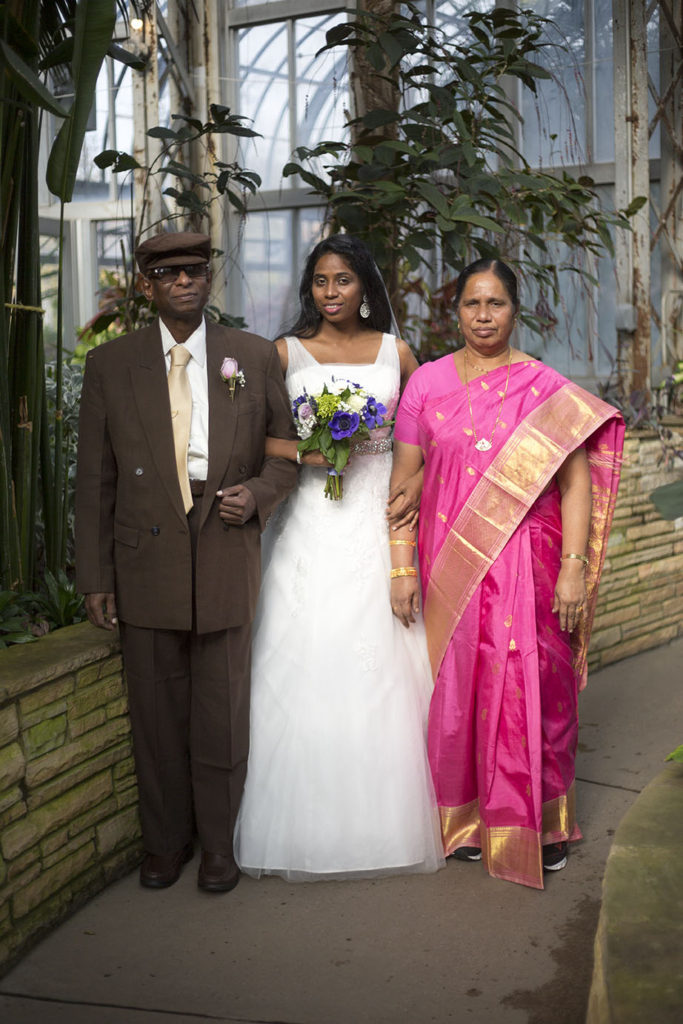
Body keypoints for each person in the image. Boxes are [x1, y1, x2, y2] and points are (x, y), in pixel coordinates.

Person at [390, 258, 624, 889]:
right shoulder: (428, 385)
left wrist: (574, 569)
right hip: (454, 561)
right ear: (456, 310)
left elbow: (576, 483)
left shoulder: (546, 387)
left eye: (495, 303)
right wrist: (402, 568)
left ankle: (543, 825)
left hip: (534, 560)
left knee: (537, 689)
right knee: (461, 690)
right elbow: (402, 488)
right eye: (472, 303)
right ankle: (467, 819)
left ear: (514, 310)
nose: (484, 316)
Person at [75, 231, 298, 893]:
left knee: (221, 716)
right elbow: (95, 480)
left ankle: (219, 848)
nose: (184, 282)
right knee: (154, 713)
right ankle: (164, 845)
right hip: (145, 556)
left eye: (195, 271)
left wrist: (256, 495)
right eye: (169, 273)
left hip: (224, 545)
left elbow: (285, 455)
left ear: (210, 280)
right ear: (147, 284)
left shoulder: (252, 357)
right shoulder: (111, 365)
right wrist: (95, 577)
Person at [233, 234, 444, 880]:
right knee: (307, 649)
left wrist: (410, 481)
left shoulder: (397, 352)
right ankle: (301, 826)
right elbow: (261, 437)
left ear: (365, 288)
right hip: (313, 521)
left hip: (378, 514)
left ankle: (395, 820)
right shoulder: (283, 353)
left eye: (343, 281)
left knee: (386, 653)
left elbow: (426, 431)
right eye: (320, 281)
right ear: (310, 288)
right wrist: (309, 452)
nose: (330, 293)